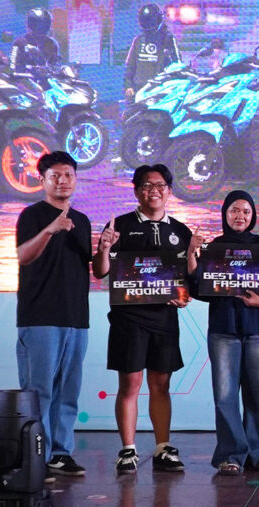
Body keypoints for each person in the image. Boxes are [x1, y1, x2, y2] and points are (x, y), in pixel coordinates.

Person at [93, 164, 192, 475]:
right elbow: (100, 271)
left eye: (160, 185)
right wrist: (104, 248)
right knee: (130, 384)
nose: (154, 191)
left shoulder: (181, 231)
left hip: (165, 319)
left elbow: (187, 278)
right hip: (128, 318)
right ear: (136, 191)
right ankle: (128, 450)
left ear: (169, 191)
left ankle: (163, 447)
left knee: (161, 384)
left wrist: (184, 295)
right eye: (147, 185)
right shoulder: (119, 226)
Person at [186, 190, 259, 475]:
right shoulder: (215, 247)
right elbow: (198, 288)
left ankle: (257, 453)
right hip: (223, 331)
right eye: (234, 210)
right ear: (225, 214)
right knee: (225, 397)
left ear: (253, 215)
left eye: (245, 211)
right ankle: (231, 454)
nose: (239, 216)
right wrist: (191, 254)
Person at [14, 150, 91, 479]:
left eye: (68, 175)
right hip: (40, 316)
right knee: (39, 391)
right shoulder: (31, 215)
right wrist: (51, 229)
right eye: (55, 176)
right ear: (42, 180)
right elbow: (23, 256)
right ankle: (35, 456)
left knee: (68, 392)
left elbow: (94, 268)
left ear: (75, 179)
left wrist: (105, 248)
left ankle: (61, 453)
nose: (62, 181)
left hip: (76, 317)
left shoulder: (82, 220)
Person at [123, 4, 180, 99]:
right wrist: (128, 86)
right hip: (139, 91)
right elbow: (130, 66)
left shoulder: (167, 40)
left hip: (160, 91)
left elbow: (177, 64)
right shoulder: (138, 40)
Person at [10, 8, 60, 73]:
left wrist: (48, 69)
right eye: (38, 25)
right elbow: (13, 65)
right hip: (26, 77)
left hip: (47, 78)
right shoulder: (20, 42)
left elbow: (55, 65)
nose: (41, 28)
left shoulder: (52, 43)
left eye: (44, 25)